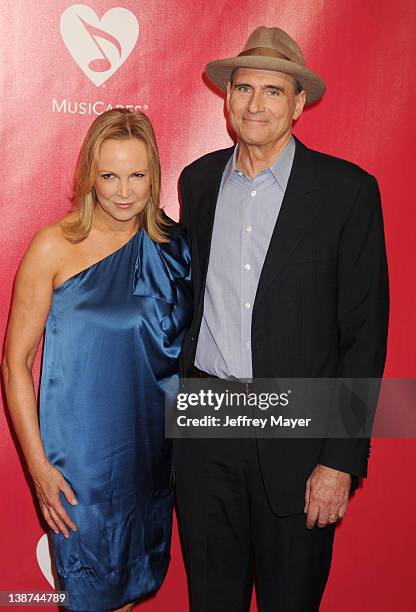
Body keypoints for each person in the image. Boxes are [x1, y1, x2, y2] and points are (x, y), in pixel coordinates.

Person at [175, 26, 389, 611]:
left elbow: (364, 338)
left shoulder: (348, 193)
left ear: (298, 104)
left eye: (274, 91)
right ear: (227, 99)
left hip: (300, 438)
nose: (256, 104)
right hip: (207, 428)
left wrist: (340, 459)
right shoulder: (197, 182)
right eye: (245, 88)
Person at [2, 108, 192, 612]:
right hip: (80, 466)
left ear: (154, 173)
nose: (124, 191)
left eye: (137, 175)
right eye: (109, 175)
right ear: (90, 174)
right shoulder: (54, 246)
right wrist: (39, 466)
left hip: (152, 460)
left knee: (130, 594)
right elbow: (14, 363)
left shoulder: (175, 248)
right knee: (89, 596)